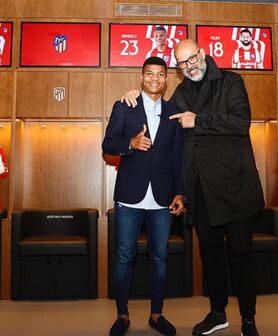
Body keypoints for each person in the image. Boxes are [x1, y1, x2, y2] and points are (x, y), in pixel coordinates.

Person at [122, 39, 265, 336]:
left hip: (236, 188)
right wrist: (136, 95)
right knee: (210, 256)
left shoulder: (230, 81)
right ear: (178, 68)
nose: (190, 66)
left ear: (203, 54)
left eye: (193, 59)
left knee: (241, 255)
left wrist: (198, 120)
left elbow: (240, 122)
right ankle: (217, 314)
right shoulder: (181, 93)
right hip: (200, 192)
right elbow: (161, 118)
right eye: (183, 64)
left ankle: (248, 319)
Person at [102, 56, 185, 336]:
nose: (154, 79)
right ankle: (122, 315)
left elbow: (177, 158)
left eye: (160, 75)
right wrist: (131, 143)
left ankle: (156, 314)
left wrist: (180, 193)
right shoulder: (125, 106)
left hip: (162, 200)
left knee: (160, 258)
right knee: (124, 258)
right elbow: (108, 143)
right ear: (142, 76)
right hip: (129, 197)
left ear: (166, 79)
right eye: (149, 74)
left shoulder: (174, 112)